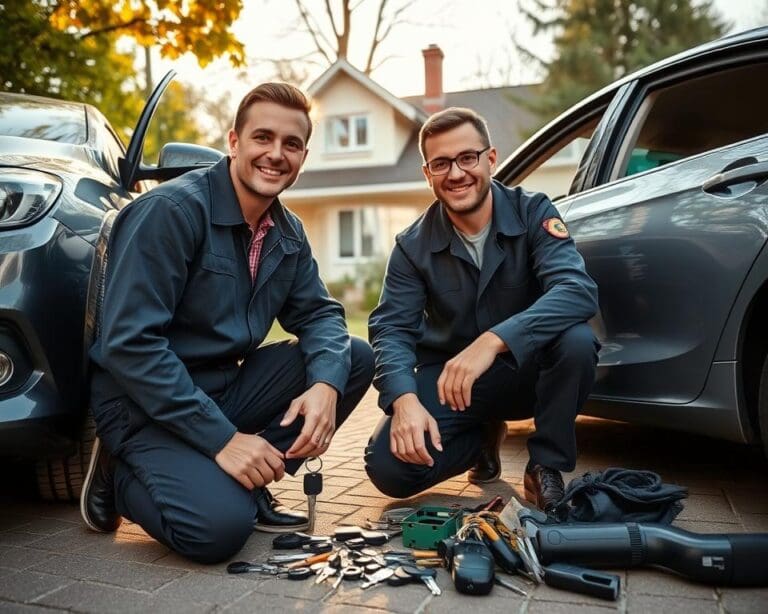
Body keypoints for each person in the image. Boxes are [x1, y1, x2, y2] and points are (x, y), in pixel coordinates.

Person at [81, 83, 374, 563]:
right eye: (263, 137)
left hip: (222, 389)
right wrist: (223, 440)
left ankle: (246, 478)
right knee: (218, 530)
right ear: (234, 141)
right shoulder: (172, 211)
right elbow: (131, 346)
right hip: (141, 404)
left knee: (351, 359)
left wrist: (324, 385)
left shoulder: (287, 231)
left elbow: (320, 314)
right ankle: (120, 475)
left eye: (292, 144)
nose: (276, 154)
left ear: (303, 155)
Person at [365, 107, 599, 515]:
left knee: (577, 342)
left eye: (467, 158)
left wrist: (494, 341)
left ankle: (545, 464)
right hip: (455, 387)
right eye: (441, 163)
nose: (456, 173)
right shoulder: (411, 246)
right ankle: (481, 442)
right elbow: (391, 330)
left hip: (531, 370)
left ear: (490, 159)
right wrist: (403, 400)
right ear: (428, 173)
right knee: (389, 468)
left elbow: (576, 290)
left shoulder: (534, 212)